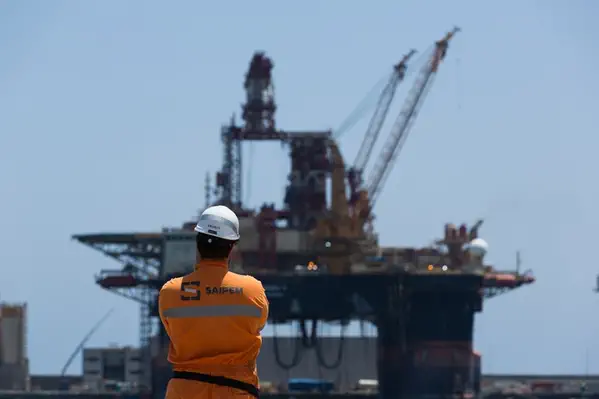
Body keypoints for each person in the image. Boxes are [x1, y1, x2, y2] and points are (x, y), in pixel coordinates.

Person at [159, 205, 269, 398]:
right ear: (232, 246)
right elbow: (258, 324)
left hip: (185, 392)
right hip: (235, 391)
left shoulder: (171, 292)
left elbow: (172, 331)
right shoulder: (253, 290)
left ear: (198, 243)